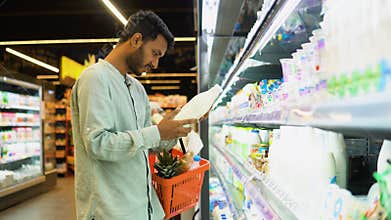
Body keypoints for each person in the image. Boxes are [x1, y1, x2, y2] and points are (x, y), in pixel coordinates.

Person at [70, 10, 197, 220]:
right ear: (137, 39)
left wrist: (175, 129)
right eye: (155, 53)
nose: (155, 64)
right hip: (111, 211)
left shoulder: (137, 88)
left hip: (144, 208)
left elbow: (144, 143)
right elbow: (97, 144)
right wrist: (156, 132)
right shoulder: (94, 79)